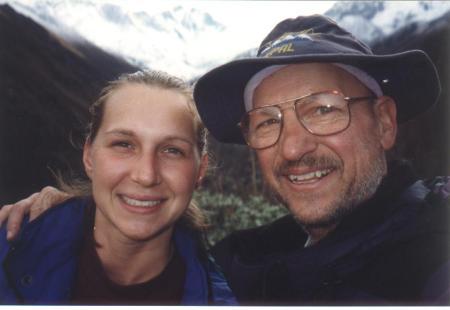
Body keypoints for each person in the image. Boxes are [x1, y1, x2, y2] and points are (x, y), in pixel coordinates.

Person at [2, 14, 449, 305]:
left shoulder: (430, 257)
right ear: (88, 155)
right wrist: (62, 220)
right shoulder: (239, 265)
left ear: (385, 123)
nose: (293, 148)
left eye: (323, 109)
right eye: (267, 121)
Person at [0, 70, 237, 305]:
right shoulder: (8, 253)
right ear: (89, 156)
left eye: (172, 150)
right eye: (123, 144)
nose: (146, 175)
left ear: (200, 170)